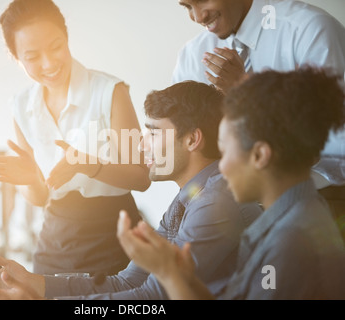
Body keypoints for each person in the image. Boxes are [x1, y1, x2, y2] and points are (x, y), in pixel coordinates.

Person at [0, 81, 262, 300]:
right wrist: (37, 284)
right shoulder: (188, 200)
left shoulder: (215, 202)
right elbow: (126, 281)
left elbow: (152, 298)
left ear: (193, 140)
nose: (141, 145)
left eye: (153, 133)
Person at [118, 68, 345, 299]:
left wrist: (169, 274)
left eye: (225, 152)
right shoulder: (288, 219)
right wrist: (178, 275)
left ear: (259, 155)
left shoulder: (290, 240)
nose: (220, 167)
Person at [0, 0, 151, 277]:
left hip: (115, 237)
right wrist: (30, 179)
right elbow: (39, 198)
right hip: (55, 243)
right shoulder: (21, 105)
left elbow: (141, 178)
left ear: (67, 37)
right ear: (17, 58)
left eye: (56, 46)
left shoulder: (110, 92)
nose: (49, 63)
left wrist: (88, 165)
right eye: (33, 56)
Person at [173, 0, 345, 234]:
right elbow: (185, 144)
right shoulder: (193, 56)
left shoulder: (309, 30)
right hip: (223, 215)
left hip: (319, 207)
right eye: (187, 7)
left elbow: (330, 137)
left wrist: (245, 90)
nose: (198, 16)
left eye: (202, 0)